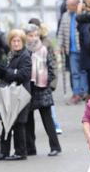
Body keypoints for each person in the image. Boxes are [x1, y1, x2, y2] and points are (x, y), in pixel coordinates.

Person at [0, 29, 32, 161]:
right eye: (13, 41)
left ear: (22, 42)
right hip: (9, 92)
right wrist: (0, 71)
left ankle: (21, 152)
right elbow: (6, 73)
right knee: (6, 122)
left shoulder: (25, 55)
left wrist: (8, 72)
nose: (16, 43)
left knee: (19, 124)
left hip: (20, 93)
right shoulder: (10, 54)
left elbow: (24, 75)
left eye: (18, 41)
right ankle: (4, 152)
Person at [24, 24, 62, 157]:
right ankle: (30, 148)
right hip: (27, 87)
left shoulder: (44, 49)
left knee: (47, 119)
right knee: (28, 119)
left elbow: (52, 67)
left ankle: (55, 147)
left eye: (35, 35)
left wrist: (47, 84)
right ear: (26, 36)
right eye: (30, 35)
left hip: (42, 87)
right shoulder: (23, 50)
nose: (33, 38)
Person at [29, 18, 63, 135]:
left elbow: (52, 63)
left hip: (44, 80)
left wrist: (52, 83)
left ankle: (55, 125)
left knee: (48, 106)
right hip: (32, 81)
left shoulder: (46, 42)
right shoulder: (27, 44)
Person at [57, 0, 87, 104]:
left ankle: (84, 92)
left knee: (83, 71)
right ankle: (76, 93)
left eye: (68, 5)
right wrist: (59, 46)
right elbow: (61, 32)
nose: (66, 7)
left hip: (83, 49)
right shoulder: (65, 16)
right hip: (71, 50)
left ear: (75, 5)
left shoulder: (83, 15)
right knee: (75, 73)